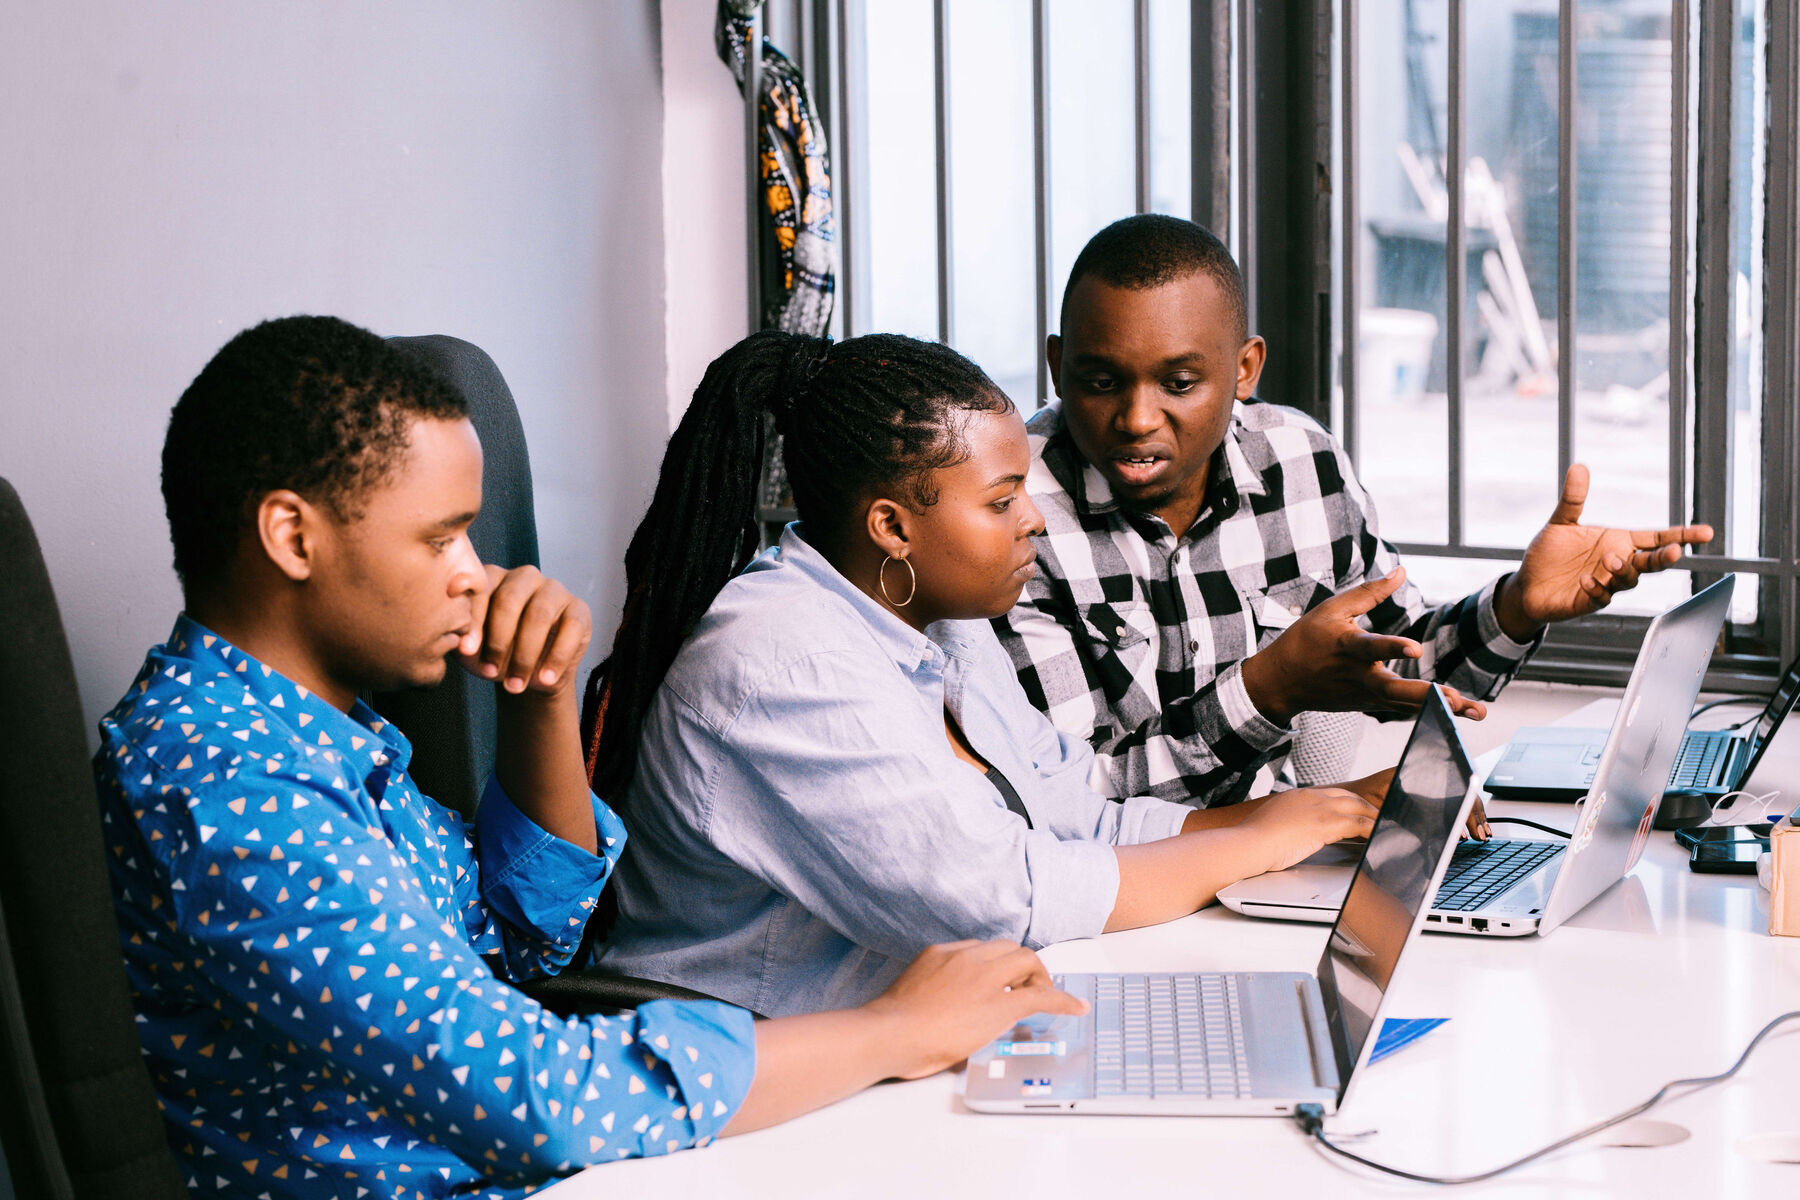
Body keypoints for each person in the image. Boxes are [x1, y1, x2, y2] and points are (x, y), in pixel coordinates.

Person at [96, 316, 1087, 1199]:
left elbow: (533, 945)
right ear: (292, 537)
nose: (473, 574)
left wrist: (541, 697)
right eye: (439, 537)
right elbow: (541, 1095)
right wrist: (896, 1030)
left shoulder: (327, 737)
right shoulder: (226, 782)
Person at [585, 329, 1387, 1020]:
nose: (1033, 518)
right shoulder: (787, 664)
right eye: (1002, 501)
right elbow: (998, 903)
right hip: (753, 1065)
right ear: (893, 527)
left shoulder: (938, 628)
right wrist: (1255, 842)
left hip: (898, 1032)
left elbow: (1079, 813)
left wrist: (1306, 819)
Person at [995, 214, 1714, 807]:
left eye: (1180, 383)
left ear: (1244, 369)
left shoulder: (1298, 460)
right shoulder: (1012, 512)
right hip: (1127, 897)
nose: (1136, 418)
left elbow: (1406, 661)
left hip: (1276, 871)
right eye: (1099, 381)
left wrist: (1520, 606)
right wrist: (1269, 689)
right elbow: (1069, 800)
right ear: (1058, 367)